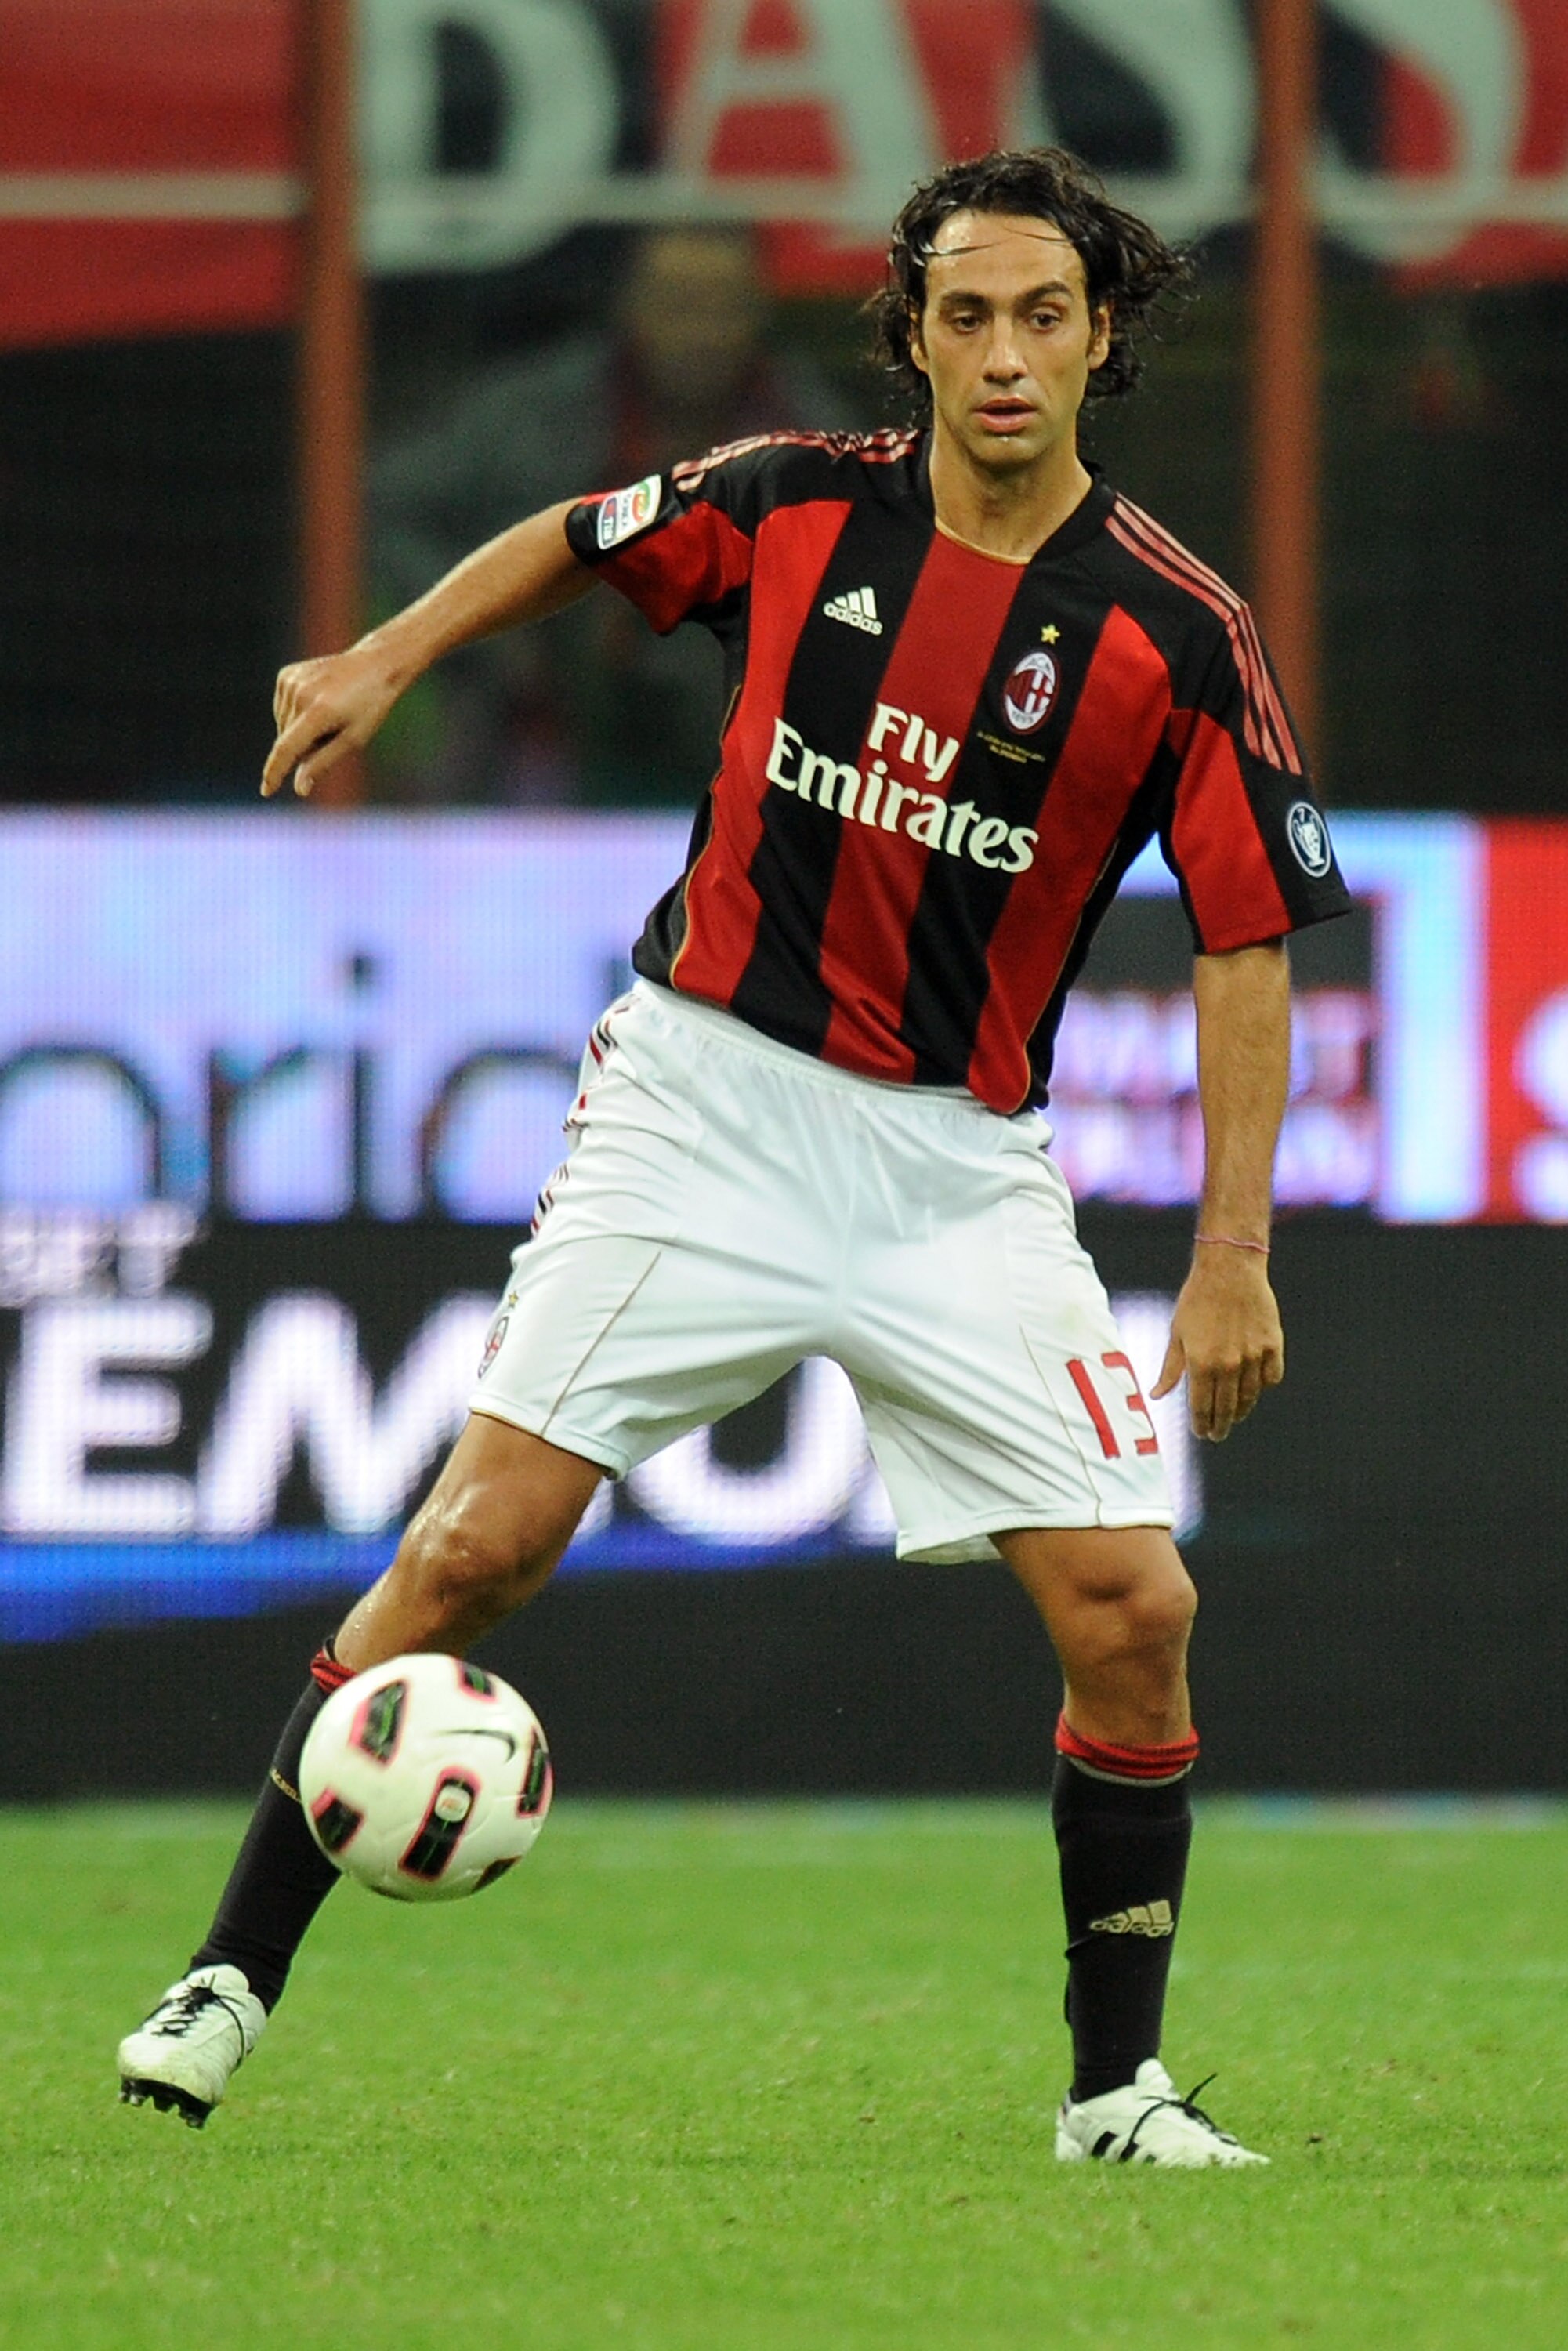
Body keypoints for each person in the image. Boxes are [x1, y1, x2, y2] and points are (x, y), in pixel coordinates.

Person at [118, 147, 1349, 2165]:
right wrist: (379, 659)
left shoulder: (1174, 634)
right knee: (472, 1547)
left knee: (1130, 1608)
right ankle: (226, 1973)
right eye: (964, 313)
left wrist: (1232, 1246)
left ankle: (1108, 2090)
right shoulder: (793, 502)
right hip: (700, 1104)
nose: (1004, 351)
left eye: (1043, 313)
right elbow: (570, 533)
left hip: (954, 1165)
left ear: (1099, 333)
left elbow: (1238, 938)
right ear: (912, 329)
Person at [371, 223, 855, 806]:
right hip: (533, 718)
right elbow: (377, 508)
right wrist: (484, 619)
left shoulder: (820, 441)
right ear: (629, 306)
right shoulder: (529, 413)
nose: (699, 332)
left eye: (722, 307)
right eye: (678, 304)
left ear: (760, 314)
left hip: (745, 732)